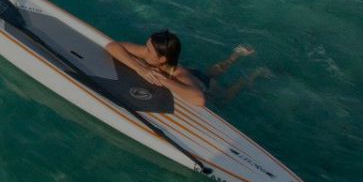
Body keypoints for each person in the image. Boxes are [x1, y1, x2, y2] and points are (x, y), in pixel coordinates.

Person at [103, 30, 261, 108]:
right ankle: (235, 55)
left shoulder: (179, 73)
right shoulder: (148, 54)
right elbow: (113, 46)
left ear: (162, 59)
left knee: (225, 98)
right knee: (208, 73)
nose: (144, 50)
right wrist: (140, 69)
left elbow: (199, 100)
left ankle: (253, 76)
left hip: (205, 88)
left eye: (149, 49)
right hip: (195, 76)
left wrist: (163, 80)